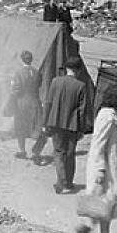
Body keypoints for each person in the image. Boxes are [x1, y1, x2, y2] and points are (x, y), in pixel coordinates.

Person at [76, 84, 117, 233]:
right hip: (104, 168)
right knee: (102, 203)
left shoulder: (109, 115)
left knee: (107, 203)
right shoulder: (107, 117)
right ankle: (87, 228)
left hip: (111, 167)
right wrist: (100, 169)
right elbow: (98, 144)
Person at [42, 57, 90, 194]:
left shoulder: (55, 81)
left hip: (55, 122)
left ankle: (61, 180)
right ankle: (68, 182)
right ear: (78, 70)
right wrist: (81, 129)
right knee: (70, 153)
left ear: (66, 68)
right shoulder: (81, 86)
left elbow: (48, 103)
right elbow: (82, 110)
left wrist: (45, 122)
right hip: (72, 125)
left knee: (58, 152)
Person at [11, 50, 47, 164]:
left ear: (22, 59)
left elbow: (16, 89)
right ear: (31, 60)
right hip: (35, 102)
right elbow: (39, 85)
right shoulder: (37, 72)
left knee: (21, 126)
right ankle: (36, 152)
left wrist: (12, 89)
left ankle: (22, 151)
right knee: (37, 126)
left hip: (23, 103)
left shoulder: (19, 72)